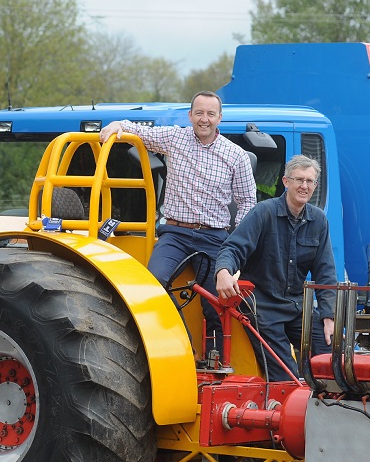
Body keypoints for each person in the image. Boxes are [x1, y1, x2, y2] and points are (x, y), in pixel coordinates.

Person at [100, 91, 256, 353]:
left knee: (217, 301)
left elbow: (247, 201)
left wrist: (235, 241)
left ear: (220, 117)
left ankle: (216, 360)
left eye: (210, 114)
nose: (204, 119)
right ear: (190, 115)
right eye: (199, 113)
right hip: (175, 233)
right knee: (153, 283)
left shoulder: (236, 155)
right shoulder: (175, 138)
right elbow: (141, 132)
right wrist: (119, 125)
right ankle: (184, 347)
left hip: (214, 237)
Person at [215, 154, 336, 381]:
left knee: (331, 357)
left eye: (310, 181)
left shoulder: (319, 221)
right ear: (285, 181)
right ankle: (290, 408)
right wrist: (223, 272)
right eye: (299, 180)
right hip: (262, 308)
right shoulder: (263, 212)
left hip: (298, 307)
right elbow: (232, 248)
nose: (304, 186)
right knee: (285, 375)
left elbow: (326, 272)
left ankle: (328, 407)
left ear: (315, 186)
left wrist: (328, 315)